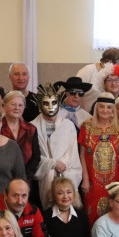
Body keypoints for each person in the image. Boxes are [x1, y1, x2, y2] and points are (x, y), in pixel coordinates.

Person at [31, 82, 83, 211]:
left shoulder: (68, 125)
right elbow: (33, 154)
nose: (50, 107)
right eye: (46, 103)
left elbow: (72, 151)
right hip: (43, 176)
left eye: (53, 103)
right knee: (47, 212)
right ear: (39, 104)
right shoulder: (32, 127)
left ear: (59, 103)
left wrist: (63, 163)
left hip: (66, 171)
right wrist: (52, 163)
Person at [79, 93, 119, 224]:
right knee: (92, 215)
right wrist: (86, 179)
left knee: (116, 213)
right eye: (102, 107)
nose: (105, 110)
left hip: (116, 181)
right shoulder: (87, 127)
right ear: (96, 108)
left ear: (113, 110)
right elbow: (82, 155)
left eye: (109, 107)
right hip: (93, 182)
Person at [0, 89, 39, 177]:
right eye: (13, 104)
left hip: (25, 179)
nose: (17, 108)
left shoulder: (31, 129)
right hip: (1, 179)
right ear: (4, 106)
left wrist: (24, 176)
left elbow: (36, 157)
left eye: (20, 105)